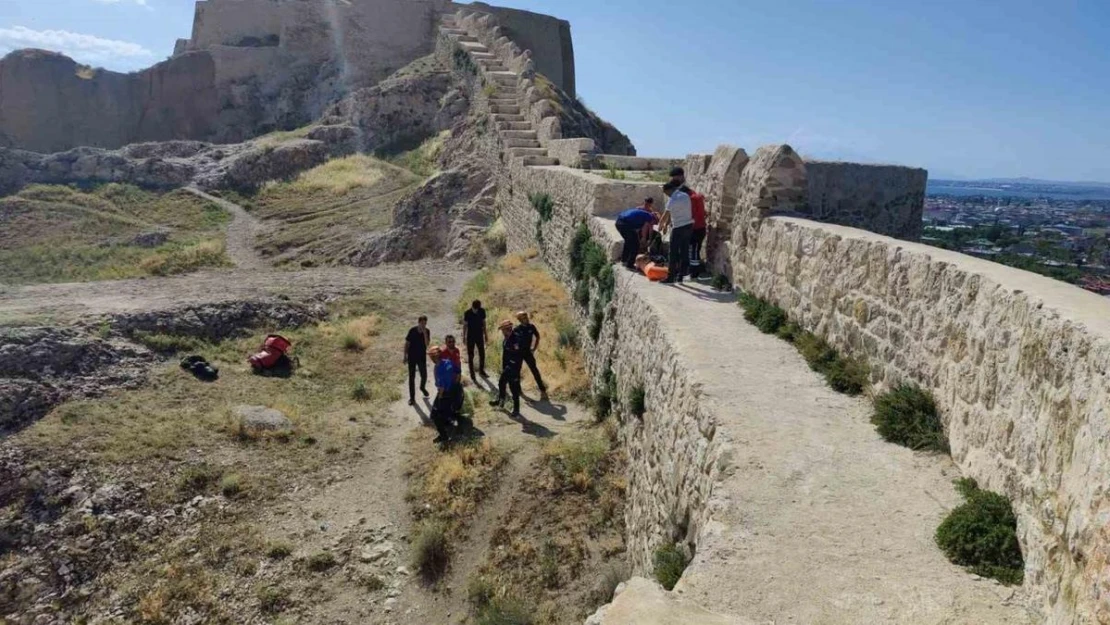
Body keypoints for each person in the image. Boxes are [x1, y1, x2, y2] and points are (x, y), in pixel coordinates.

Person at [659, 181, 693, 284]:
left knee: (673, 252)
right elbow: (673, 213)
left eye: (665, 192)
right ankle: (681, 276)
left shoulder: (672, 200)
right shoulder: (685, 195)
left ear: (669, 190)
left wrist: (661, 226)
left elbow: (665, 215)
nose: (666, 195)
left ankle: (670, 277)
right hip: (688, 226)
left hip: (678, 228)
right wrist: (666, 225)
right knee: (684, 251)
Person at [489, 320, 523, 417]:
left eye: (503, 330)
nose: (502, 332)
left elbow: (518, 355)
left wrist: (513, 367)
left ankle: (516, 409)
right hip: (507, 367)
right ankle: (501, 400)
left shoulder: (515, 339)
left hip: (513, 367)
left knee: (513, 388)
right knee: (501, 382)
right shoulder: (506, 338)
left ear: (507, 329)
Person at [615, 199, 659, 270]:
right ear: (653, 220)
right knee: (635, 245)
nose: (653, 224)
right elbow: (646, 229)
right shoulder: (649, 217)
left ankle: (624, 260)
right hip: (624, 224)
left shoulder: (644, 214)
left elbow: (637, 231)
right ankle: (630, 264)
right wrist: (645, 239)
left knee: (628, 241)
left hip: (619, 222)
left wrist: (642, 239)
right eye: (654, 223)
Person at [512, 311, 547, 400]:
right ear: (520, 320)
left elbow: (537, 337)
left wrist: (534, 348)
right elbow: (513, 341)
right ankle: (519, 391)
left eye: (527, 317)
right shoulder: (517, 329)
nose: (527, 319)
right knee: (517, 372)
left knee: (534, 370)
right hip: (519, 353)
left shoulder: (531, 327)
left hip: (528, 352)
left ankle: (543, 390)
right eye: (524, 318)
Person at [429, 346, 461, 443]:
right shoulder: (448, 362)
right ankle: (447, 424)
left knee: (435, 415)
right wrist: (455, 385)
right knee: (444, 412)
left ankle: (444, 436)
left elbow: (441, 387)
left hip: (445, 394)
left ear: (434, 357)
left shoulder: (438, 369)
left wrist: (439, 398)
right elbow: (458, 372)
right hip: (454, 391)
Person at [404, 315, 431, 406]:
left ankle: (422, 387)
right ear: (418, 322)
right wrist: (405, 356)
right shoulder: (412, 330)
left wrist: (424, 334)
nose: (423, 325)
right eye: (422, 323)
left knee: (424, 375)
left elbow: (427, 344)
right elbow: (407, 344)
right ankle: (412, 398)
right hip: (412, 357)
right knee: (412, 378)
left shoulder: (427, 331)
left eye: (425, 323)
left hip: (421, 357)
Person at [462, 300, 488, 381]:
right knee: (471, 355)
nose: (476, 311)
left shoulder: (482, 311)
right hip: (471, 335)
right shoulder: (467, 313)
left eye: (477, 309)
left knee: (482, 353)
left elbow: (483, 323)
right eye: (475, 309)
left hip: (479, 335)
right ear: (472, 307)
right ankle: (472, 373)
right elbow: (465, 325)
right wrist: (464, 336)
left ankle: (481, 370)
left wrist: (486, 334)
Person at [688, 187, 707, 279]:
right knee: (696, 249)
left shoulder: (692, 199)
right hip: (701, 227)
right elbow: (705, 213)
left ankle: (694, 272)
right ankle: (694, 270)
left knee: (694, 250)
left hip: (695, 228)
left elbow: (691, 214)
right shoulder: (699, 198)